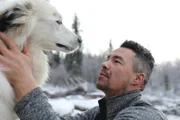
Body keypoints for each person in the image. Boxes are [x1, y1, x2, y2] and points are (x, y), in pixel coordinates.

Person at [0, 32, 167, 120]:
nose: (105, 63)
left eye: (117, 61)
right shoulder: (99, 113)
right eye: (107, 58)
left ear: (137, 79)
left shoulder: (145, 116)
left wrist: (24, 80)